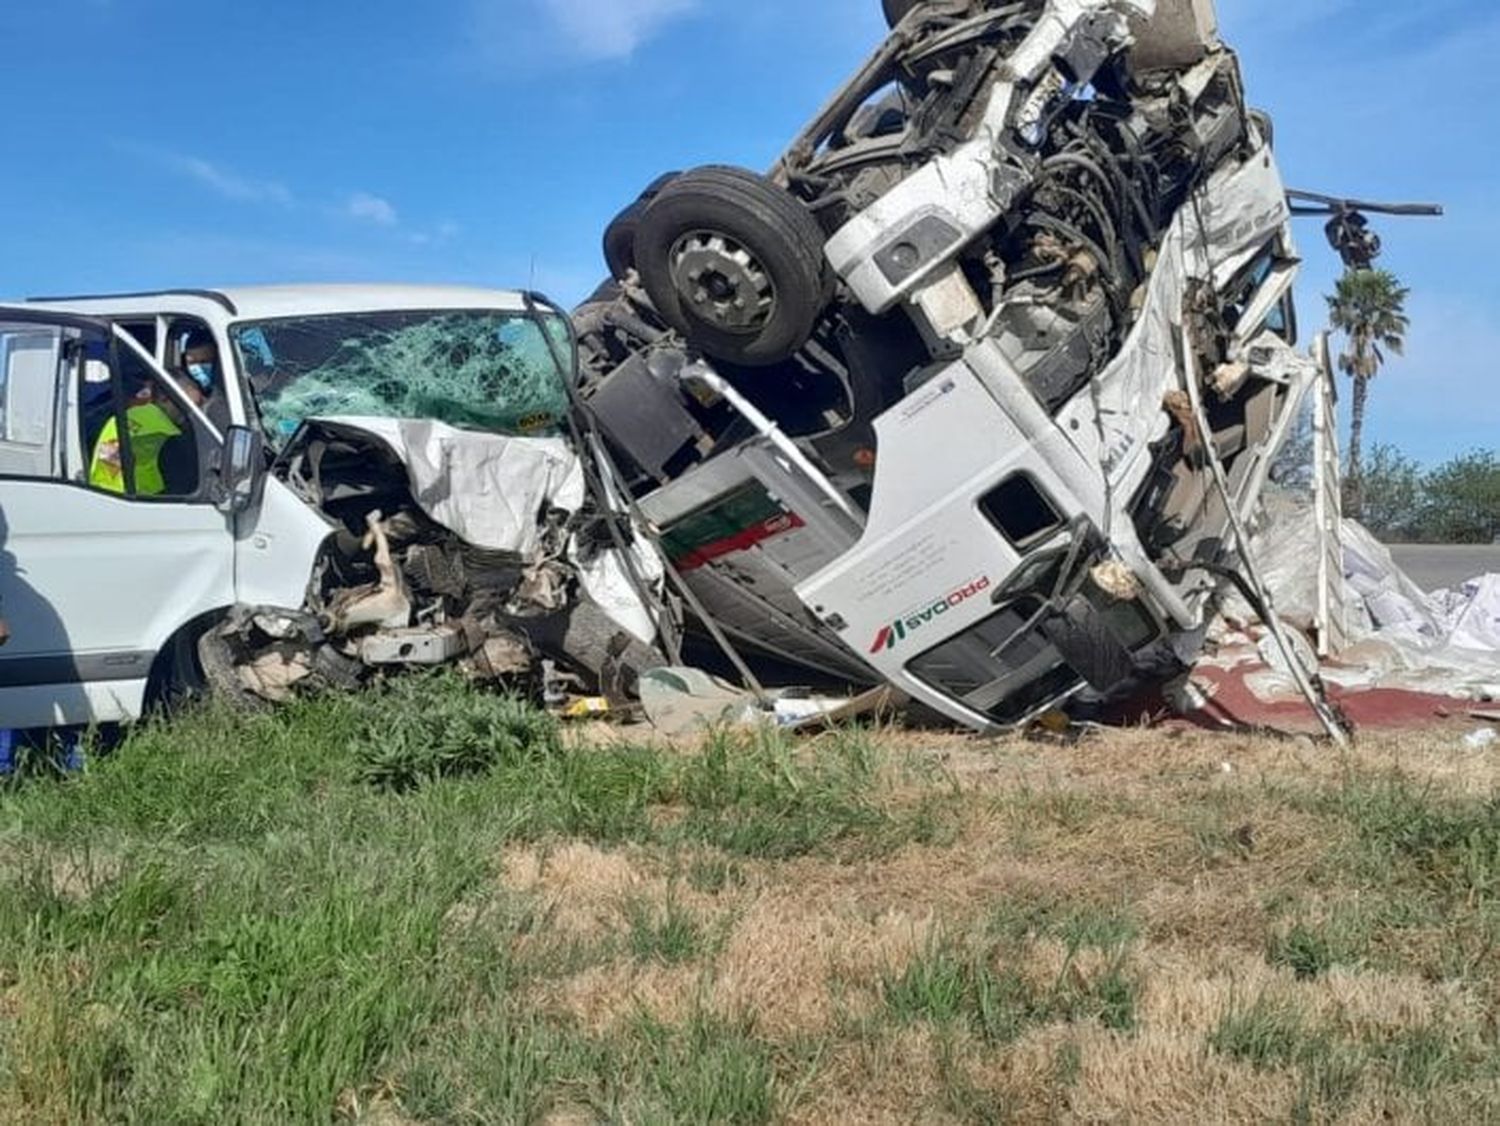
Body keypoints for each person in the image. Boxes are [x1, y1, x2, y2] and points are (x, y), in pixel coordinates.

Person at [89, 370, 211, 497]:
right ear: (165, 399)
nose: (195, 414)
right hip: (144, 503)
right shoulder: (168, 438)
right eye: (191, 406)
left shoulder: (123, 419)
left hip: (103, 495)